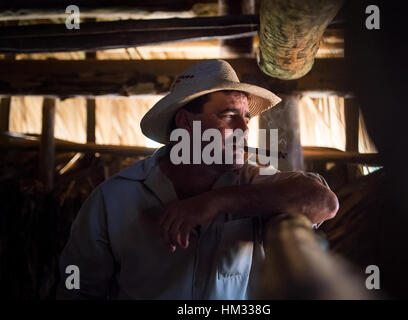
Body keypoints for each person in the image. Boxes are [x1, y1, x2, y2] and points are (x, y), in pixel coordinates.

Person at [57, 59, 338, 299]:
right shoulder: (114, 199)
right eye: (229, 116)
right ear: (185, 122)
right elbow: (78, 291)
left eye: (247, 118)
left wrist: (217, 202)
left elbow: (324, 202)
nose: (244, 129)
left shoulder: (251, 181)